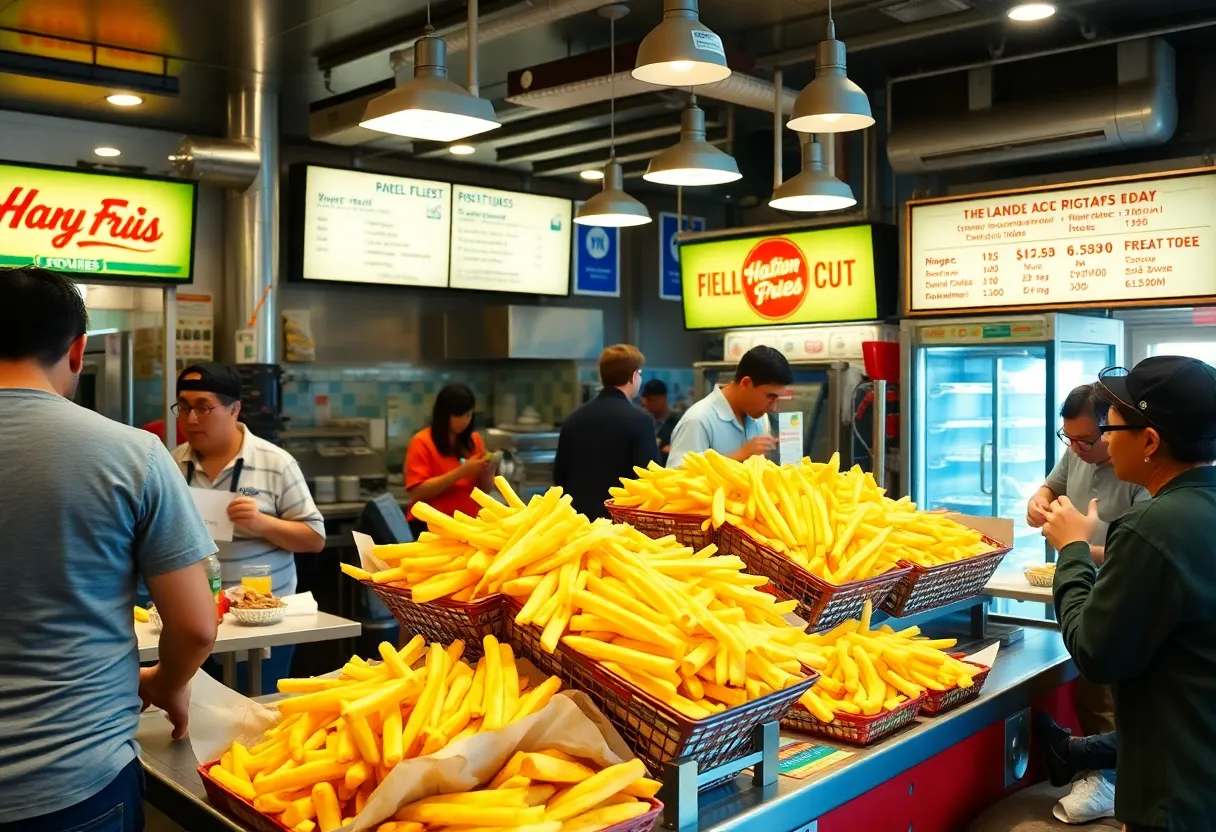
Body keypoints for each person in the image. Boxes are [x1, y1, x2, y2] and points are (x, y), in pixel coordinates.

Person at [0, 266, 218, 832]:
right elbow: (196, 626)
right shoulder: (134, 455)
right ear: (77, 351)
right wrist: (163, 683)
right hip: (74, 777)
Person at [1042, 356, 1216, 832]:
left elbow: (1094, 652)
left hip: (1174, 796)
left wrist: (1073, 549)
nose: (1104, 440)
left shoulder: (1151, 529)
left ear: (1150, 442)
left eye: (1111, 428)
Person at [1025, 384, 1149, 822]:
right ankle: (1085, 759)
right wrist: (1039, 502)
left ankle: (1106, 777)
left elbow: (1140, 548)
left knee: (1107, 680)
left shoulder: (1142, 471)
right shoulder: (1077, 452)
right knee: (1091, 680)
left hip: (1121, 589)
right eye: (1069, 438)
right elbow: (1048, 487)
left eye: (1089, 439)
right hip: (1083, 585)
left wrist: (1074, 544)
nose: (1078, 449)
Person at [173, 362, 325, 690]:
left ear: (234, 409)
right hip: (194, 620)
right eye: (183, 407)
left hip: (261, 622)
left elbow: (314, 538)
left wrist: (261, 523)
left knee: (256, 711)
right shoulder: (172, 465)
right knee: (200, 714)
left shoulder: (276, 463)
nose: (191, 419)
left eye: (203, 407)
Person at [555, 344, 659, 519]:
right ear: (634, 376)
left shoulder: (573, 418)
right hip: (620, 523)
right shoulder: (640, 420)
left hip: (577, 522)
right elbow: (648, 478)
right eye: (639, 373)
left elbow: (559, 475)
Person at [667, 345, 792, 469]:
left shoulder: (760, 419)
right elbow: (677, 478)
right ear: (746, 383)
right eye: (770, 396)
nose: (773, 408)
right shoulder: (698, 420)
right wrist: (740, 455)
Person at [405, 383, 494, 540]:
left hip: (470, 526)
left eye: (470, 415)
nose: (466, 420)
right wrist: (461, 472)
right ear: (445, 415)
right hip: (431, 528)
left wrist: (488, 470)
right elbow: (418, 492)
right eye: (461, 415)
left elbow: (484, 491)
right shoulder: (422, 442)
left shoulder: (474, 440)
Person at [640, 378, 681, 466]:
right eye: (644, 400)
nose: (646, 404)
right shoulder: (643, 424)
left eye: (650, 400)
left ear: (662, 398)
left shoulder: (676, 425)